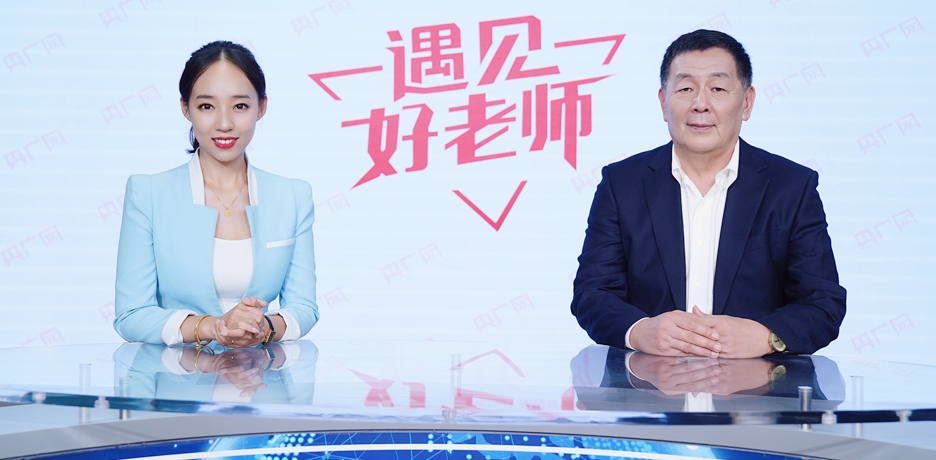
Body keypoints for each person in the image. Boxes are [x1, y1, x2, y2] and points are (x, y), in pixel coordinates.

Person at [571, 30, 846, 358]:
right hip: (646, 385)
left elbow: (823, 303)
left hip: (758, 387)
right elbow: (592, 294)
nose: (700, 105)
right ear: (663, 102)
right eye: (685, 89)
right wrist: (641, 331)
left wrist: (765, 336)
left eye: (717, 89)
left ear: (746, 102)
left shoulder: (791, 187)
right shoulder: (621, 184)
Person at [114, 41, 319, 347]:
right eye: (207, 106)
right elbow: (131, 315)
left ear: (261, 107)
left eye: (240, 106)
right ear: (186, 108)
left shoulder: (292, 196)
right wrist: (214, 327)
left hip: (261, 374)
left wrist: (263, 327)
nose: (224, 124)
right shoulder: (148, 194)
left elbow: (304, 307)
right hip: (176, 374)